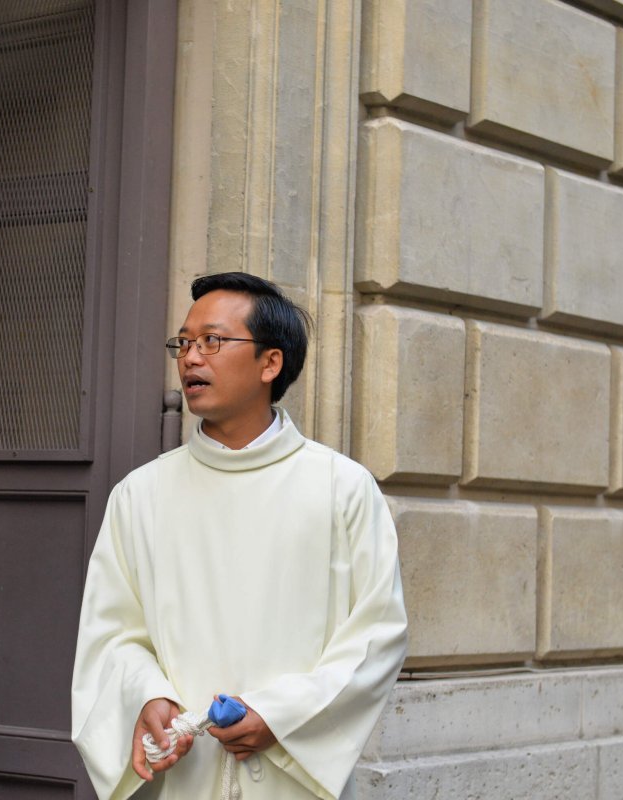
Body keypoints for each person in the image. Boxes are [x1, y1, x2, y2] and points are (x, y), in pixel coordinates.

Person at [70, 272, 408, 800]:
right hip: (186, 774)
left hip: (289, 775)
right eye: (183, 342)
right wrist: (148, 697)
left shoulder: (342, 487)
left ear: (270, 363)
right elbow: (114, 633)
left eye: (212, 340)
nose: (190, 357)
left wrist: (279, 716)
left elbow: (376, 634)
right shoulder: (140, 494)